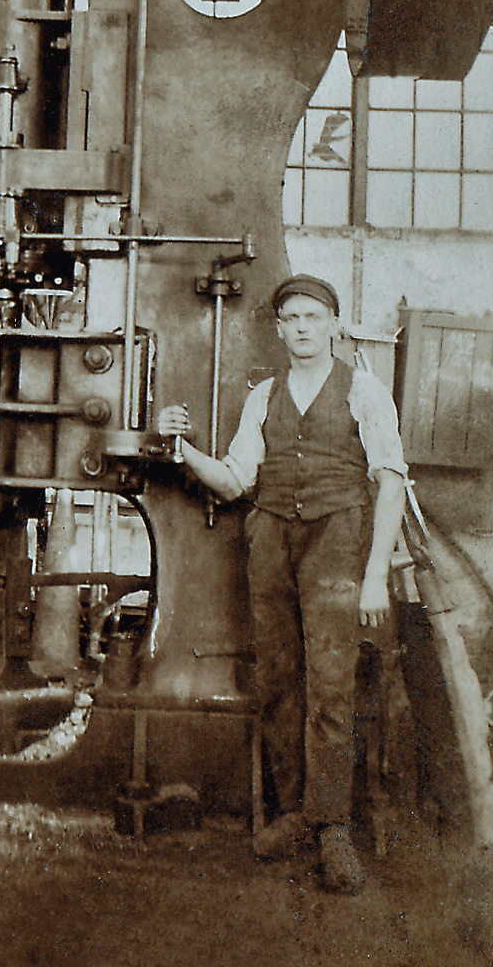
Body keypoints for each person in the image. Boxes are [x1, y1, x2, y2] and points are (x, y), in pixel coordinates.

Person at [156, 273, 407, 893]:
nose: (300, 328)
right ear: (278, 328)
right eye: (290, 318)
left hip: (336, 542)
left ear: (333, 325)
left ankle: (333, 829)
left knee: (330, 682)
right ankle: (295, 811)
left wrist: (375, 575)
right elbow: (237, 479)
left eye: (312, 318)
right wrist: (180, 448)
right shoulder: (264, 396)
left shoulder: (364, 391)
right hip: (270, 540)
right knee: (276, 679)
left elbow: (392, 481)